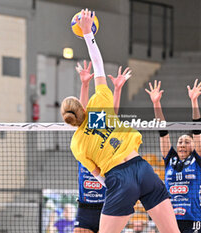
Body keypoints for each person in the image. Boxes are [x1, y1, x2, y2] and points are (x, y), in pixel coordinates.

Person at [60, 9, 180, 233]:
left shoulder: (76, 144)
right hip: (142, 168)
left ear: (69, 121)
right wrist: (88, 33)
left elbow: (99, 177)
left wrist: (123, 193)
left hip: (118, 179)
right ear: (82, 106)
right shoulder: (99, 106)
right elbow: (98, 63)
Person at [73, 60, 129, 233]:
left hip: (108, 206)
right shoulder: (83, 138)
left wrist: (118, 89)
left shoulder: (105, 141)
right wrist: (85, 84)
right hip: (85, 207)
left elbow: (113, 114)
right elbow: (80, 113)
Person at [146, 79, 201, 233]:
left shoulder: (197, 159)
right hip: (171, 219)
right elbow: (163, 131)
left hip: (192, 218)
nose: (182, 144)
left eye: (186, 142)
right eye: (180, 141)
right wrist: (156, 103)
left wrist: (194, 101)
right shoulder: (170, 159)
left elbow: (197, 130)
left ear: (193, 146)